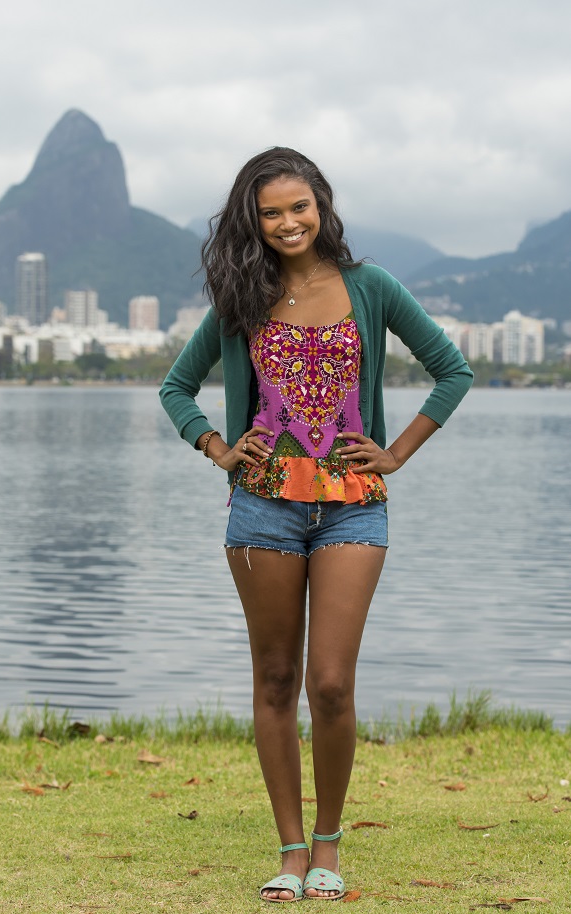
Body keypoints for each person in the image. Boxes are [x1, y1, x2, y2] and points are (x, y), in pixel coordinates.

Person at [159, 147, 473, 902]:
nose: (288, 222)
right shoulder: (241, 296)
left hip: (352, 504)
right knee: (275, 678)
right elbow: (177, 388)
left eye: (299, 206)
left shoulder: (371, 287)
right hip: (261, 504)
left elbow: (452, 368)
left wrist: (396, 452)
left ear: (322, 206)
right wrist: (220, 449)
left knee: (330, 684)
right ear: (253, 221)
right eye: (270, 212)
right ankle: (291, 851)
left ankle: (331, 841)